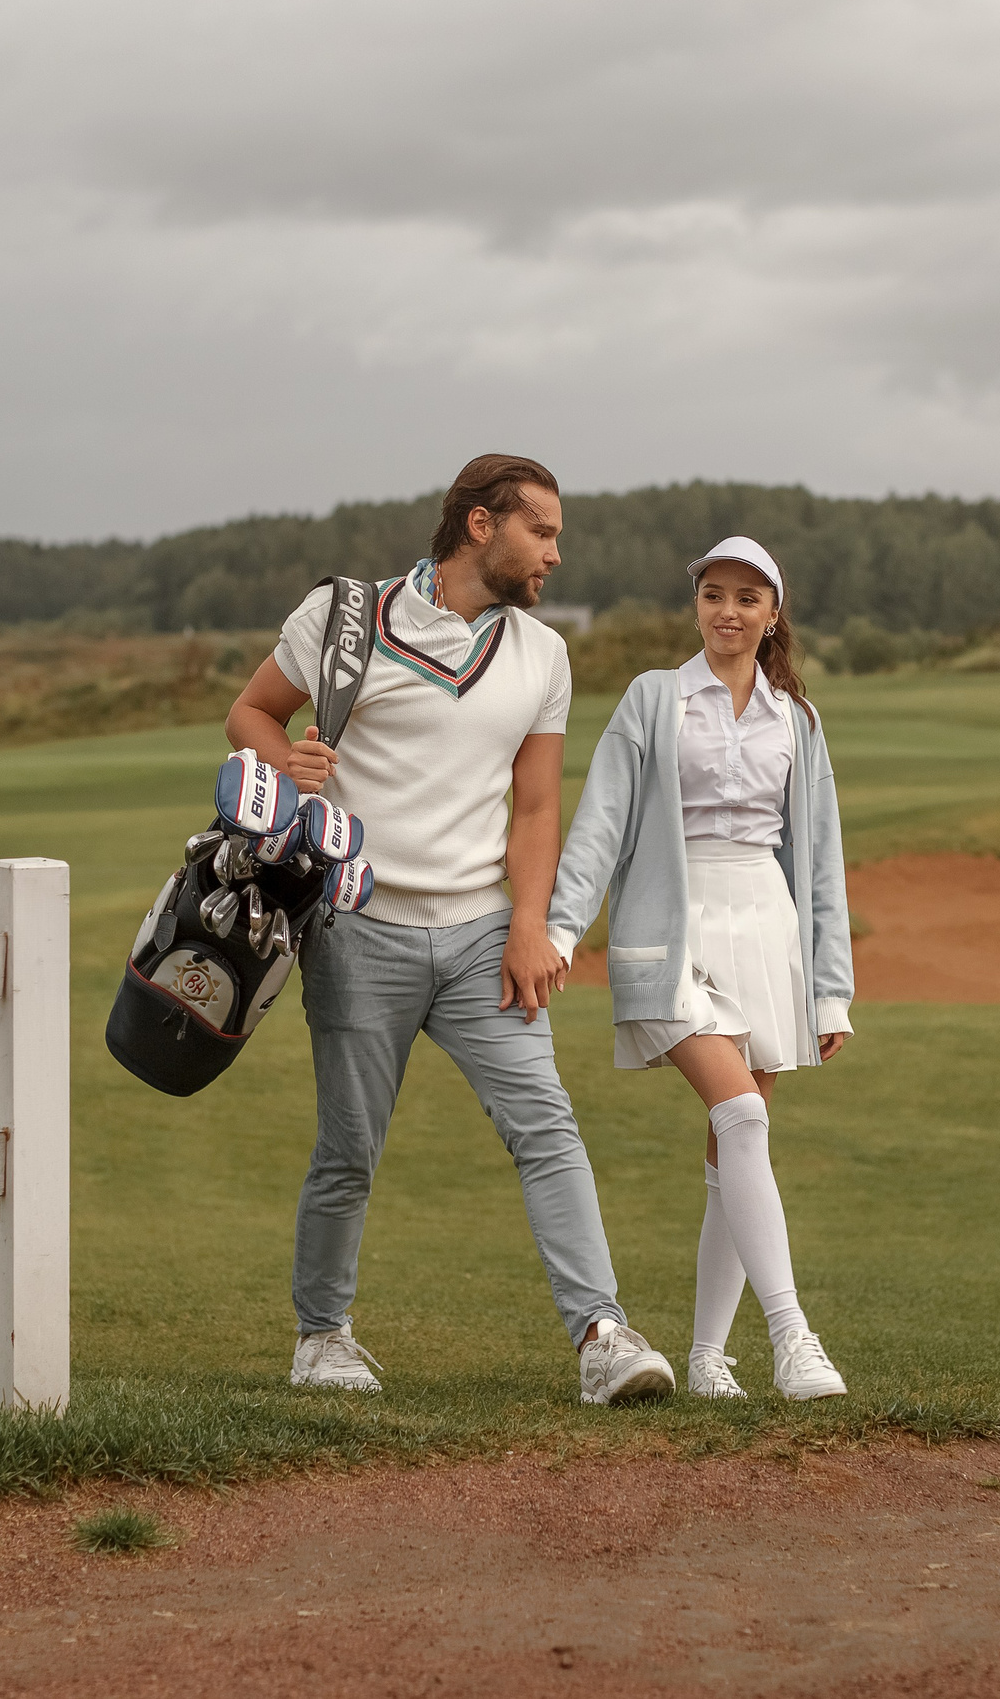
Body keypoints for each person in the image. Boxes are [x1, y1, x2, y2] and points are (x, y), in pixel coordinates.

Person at [223, 453, 676, 1406]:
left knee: (546, 1127)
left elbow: (540, 808)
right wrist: (292, 767)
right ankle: (321, 1337)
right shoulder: (346, 619)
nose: (555, 552)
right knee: (349, 1147)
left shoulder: (542, 655)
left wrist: (536, 928)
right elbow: (251, 713)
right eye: (541, 531)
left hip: (484, 939)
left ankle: (602, 1336)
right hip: (355, 930)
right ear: (482, 526)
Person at [546, 535, 855, 1401]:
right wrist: (562, 929)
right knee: (743, 1114)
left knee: (733, 1144)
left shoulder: (798, 718)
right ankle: (795, 1338)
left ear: (772, 613)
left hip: (768, 930)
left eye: (746, 599)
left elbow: (820, 859)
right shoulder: (653, 698)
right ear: (698, 606)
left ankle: (710, 1357)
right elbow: (601, 823)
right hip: (669, 935)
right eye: (713, 595)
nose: (728, 611)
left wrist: (830, 989)